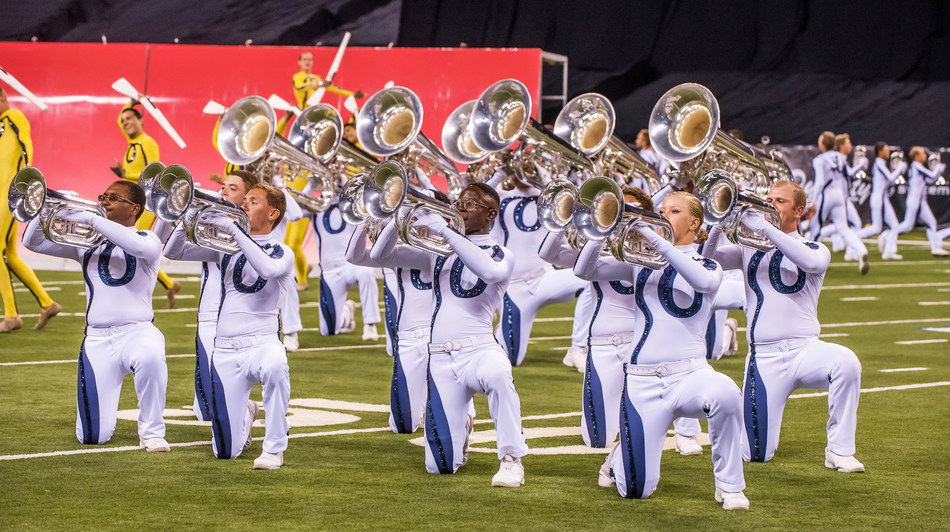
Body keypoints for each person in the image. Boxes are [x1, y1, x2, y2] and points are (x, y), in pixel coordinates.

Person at [574, 191, 747, 509]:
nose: (663, 214)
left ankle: (730, 486)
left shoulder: (708, 264)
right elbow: (584, 271)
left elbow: (701, 282)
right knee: (636, 491)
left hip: (690, 374)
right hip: (642, 382)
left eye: (674, 210)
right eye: (662, 209)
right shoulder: (639, 263)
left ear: (695, 222)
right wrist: (600, 229)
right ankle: (617, 461)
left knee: (725, 392)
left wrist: (656, 238)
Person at [370, 182, 529, 487]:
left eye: (470, 204)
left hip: (480, 349)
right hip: (441, 358)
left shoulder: (501, 254)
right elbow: (380, 256)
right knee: (439, 467)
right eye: (459, 203)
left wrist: (445, 231)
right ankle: (462, 427)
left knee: (498, 374)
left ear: (491, 213)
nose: (460, 208)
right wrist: (398, 216)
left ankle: (511, 459)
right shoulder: (437, 253)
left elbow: (491, 272)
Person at [702, 180, 865, 474]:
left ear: (799, 210)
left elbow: (810, 263)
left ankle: (839, 451)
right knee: (755, 454)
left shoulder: (815, 248)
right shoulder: (747, 249)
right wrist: (717, 221)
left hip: (806, 350)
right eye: (768, 199)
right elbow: (706, 259)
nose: (769, 205)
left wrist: (766, 228)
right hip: (764, 359)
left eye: (779, 201)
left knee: (847, 362)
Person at [23, 180, 169, 451]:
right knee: (91, 437)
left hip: (137, 332)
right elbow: (33, 242)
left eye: (115, 198)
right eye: (104, 196)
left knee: (151, 356)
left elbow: (138, 249)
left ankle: (152, 431)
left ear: (135, 208)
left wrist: (91, 218)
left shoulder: (147, 239)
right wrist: (45, 208)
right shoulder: (86, 242)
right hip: (97, 340)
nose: (104, 202)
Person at [167, 184, 295, 469]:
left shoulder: (282, 252)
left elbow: (267, 269)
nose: (244, 205)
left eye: (253, 201)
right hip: (224, 350)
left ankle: (274, 448)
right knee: (225, 452)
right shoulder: (223, 246)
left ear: (273, 213)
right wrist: (191, 214)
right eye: (245, 200)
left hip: (263, 343)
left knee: (276, 366)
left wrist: (234, 229)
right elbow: (173, 252)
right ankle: (246, 415)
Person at [162, 170, 259, 421]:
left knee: (226, 399)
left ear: (247, 199)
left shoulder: (260, 231)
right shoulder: (208, 225)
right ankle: (241, 409)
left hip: (245, 319)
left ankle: (241, 410)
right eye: (224, 186)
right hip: (210, 315)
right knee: (204, 412)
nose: (224, 190)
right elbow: (172, 251)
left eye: (233, 188)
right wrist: (191, 214)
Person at [488, 170, 589, 367]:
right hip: (513, 288)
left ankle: (578, 347)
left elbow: (571, 196)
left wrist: (540, 171)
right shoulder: (499, 196)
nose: (522, 170)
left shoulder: (549, 195)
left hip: (543, 278)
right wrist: (501, 172)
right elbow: (473, 198)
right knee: (509, 359)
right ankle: (491, 333)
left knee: (590, 280)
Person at [0, 86, 61, 333]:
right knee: (10, 255)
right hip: (4, 198)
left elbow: (27, 147)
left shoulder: (13, 117)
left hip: (10, 197)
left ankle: (12, 315)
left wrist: (27, 185)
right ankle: (47, 303)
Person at [112, 98, 181, 307]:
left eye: (130, 118)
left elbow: (154, 173)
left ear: (140, 120)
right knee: (130, 246)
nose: (125, 122)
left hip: (145, 203)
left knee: (131, 245)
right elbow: (118, 121)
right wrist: (129, 102)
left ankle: (137, 291)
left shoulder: (147, 142)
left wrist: (127, 174)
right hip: (131, 202)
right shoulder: (132, 143)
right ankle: (168, 284)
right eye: (124, 120)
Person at [311, 198, 381, 340]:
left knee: (366, 272)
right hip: (329, 270)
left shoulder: (351, 201)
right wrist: (312, 183)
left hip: (352, 263)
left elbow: (370, 212)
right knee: (328, 330)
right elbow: (295, 214)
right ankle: (347, 313)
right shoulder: (315, 204)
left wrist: (350, 193)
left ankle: (370, 324)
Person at [809, 134, 870, 274]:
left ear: (823, 144)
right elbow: (847, 174)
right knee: (843, 227)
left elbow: (819, 182)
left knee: (815, 228)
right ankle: (862, 251)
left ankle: (811, 259)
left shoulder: (819, 160)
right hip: (839, 195)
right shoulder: (839, 157)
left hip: (826, 194)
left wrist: (813, 201)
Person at [886, 146, 950, 256]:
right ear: (916, 156)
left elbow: (931, 180)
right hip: (914, 201)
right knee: (907, 226)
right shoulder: (916, 165)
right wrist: (938, 168)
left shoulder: (919, 166)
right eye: (922, 154)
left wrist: (938, 171)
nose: (925, 156)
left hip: (921, 201)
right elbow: (932, 175)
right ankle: (887, 236)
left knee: (932, 223)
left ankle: (936, 248)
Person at [857, 142, 906, 259]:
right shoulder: (879, 163)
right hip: (879, 199)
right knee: (878, 227)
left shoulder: (881, 163)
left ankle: (888, 249)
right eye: (886, 149)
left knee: (892, 226)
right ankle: (853, 237)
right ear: (880, 151)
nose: (888, 152)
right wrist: (899, 168)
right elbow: (891, 179)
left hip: (882, 198)